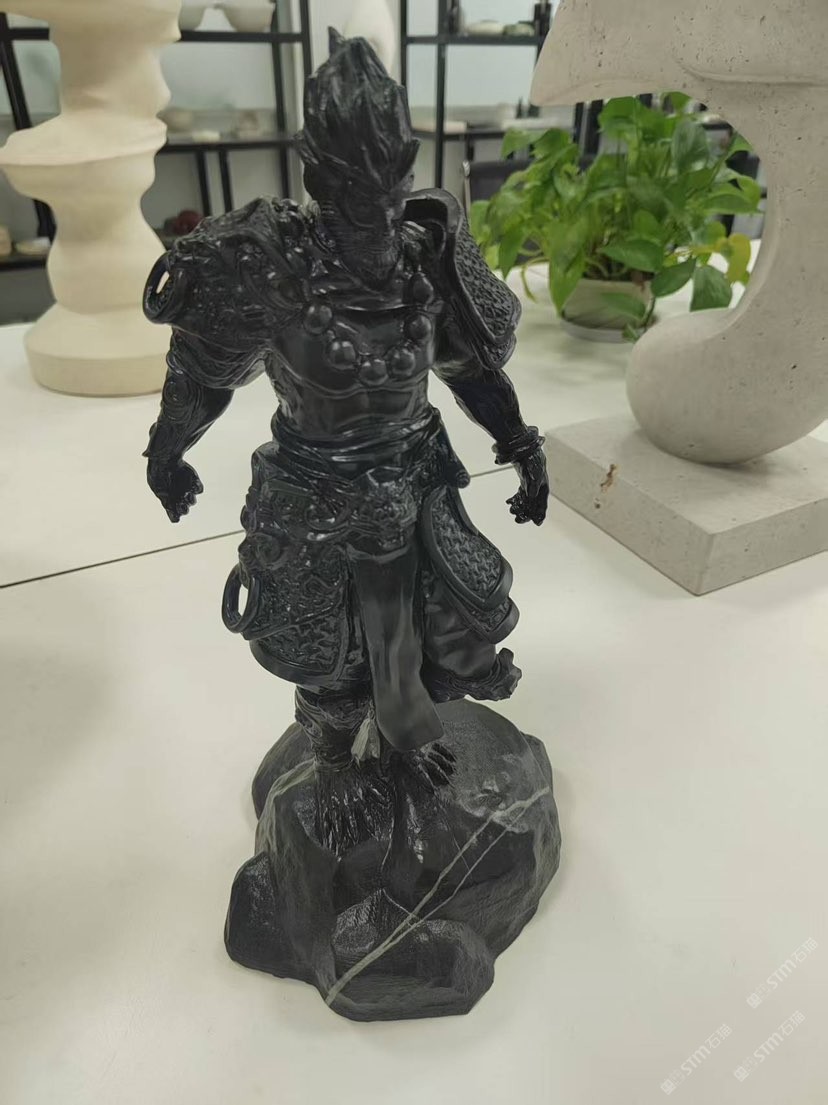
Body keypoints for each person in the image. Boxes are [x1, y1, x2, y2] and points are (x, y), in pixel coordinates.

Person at [142, 31, 548, 850]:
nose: (375, 206)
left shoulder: (425, 258)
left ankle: (411, 725)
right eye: (352, 186)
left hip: (414, 472)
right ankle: (332, 758)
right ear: (317, 176)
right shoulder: (270, 266)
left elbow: (470, 367)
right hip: (315, 486)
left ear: (407, 168)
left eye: (388, 181)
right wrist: (168, 449)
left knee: (441, 620)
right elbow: (204, 371)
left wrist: (520, 442)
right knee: (329, 647)